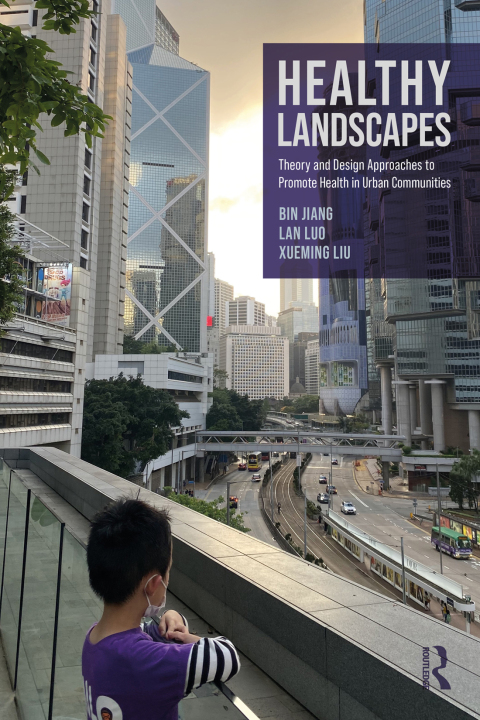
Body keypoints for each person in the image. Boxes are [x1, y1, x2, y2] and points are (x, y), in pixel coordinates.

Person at [83, 498, 240, 719]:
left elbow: (140, 635)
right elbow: (227, 657)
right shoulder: (147, 663)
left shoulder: (93, 638)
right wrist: (190, 639)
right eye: (167, 572)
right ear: (153, 584)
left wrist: (172, 617)